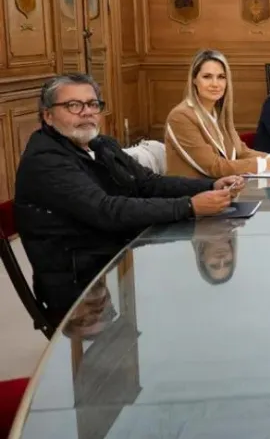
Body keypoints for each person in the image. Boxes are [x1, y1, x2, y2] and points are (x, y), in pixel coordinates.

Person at [14, 74, 240, 323]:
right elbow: (107, 211)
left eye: (92, 104)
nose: (87, 112)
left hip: (116, 255)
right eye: (73, 106)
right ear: (48, 115)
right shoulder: (46, 161)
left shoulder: (100, 145)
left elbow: (148, 183)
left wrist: (210, 184)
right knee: (186, 301)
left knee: (202, 296)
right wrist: (189, 206)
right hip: (80, 283)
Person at [165, 49, 270, 177]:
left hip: (222, 192)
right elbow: (214, 167)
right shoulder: (181, 117)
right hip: (193, 198)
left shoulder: (218, 113)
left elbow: (241, 152)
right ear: (194, 80)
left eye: (221, 77)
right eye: (207, 77)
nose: (215, 84)